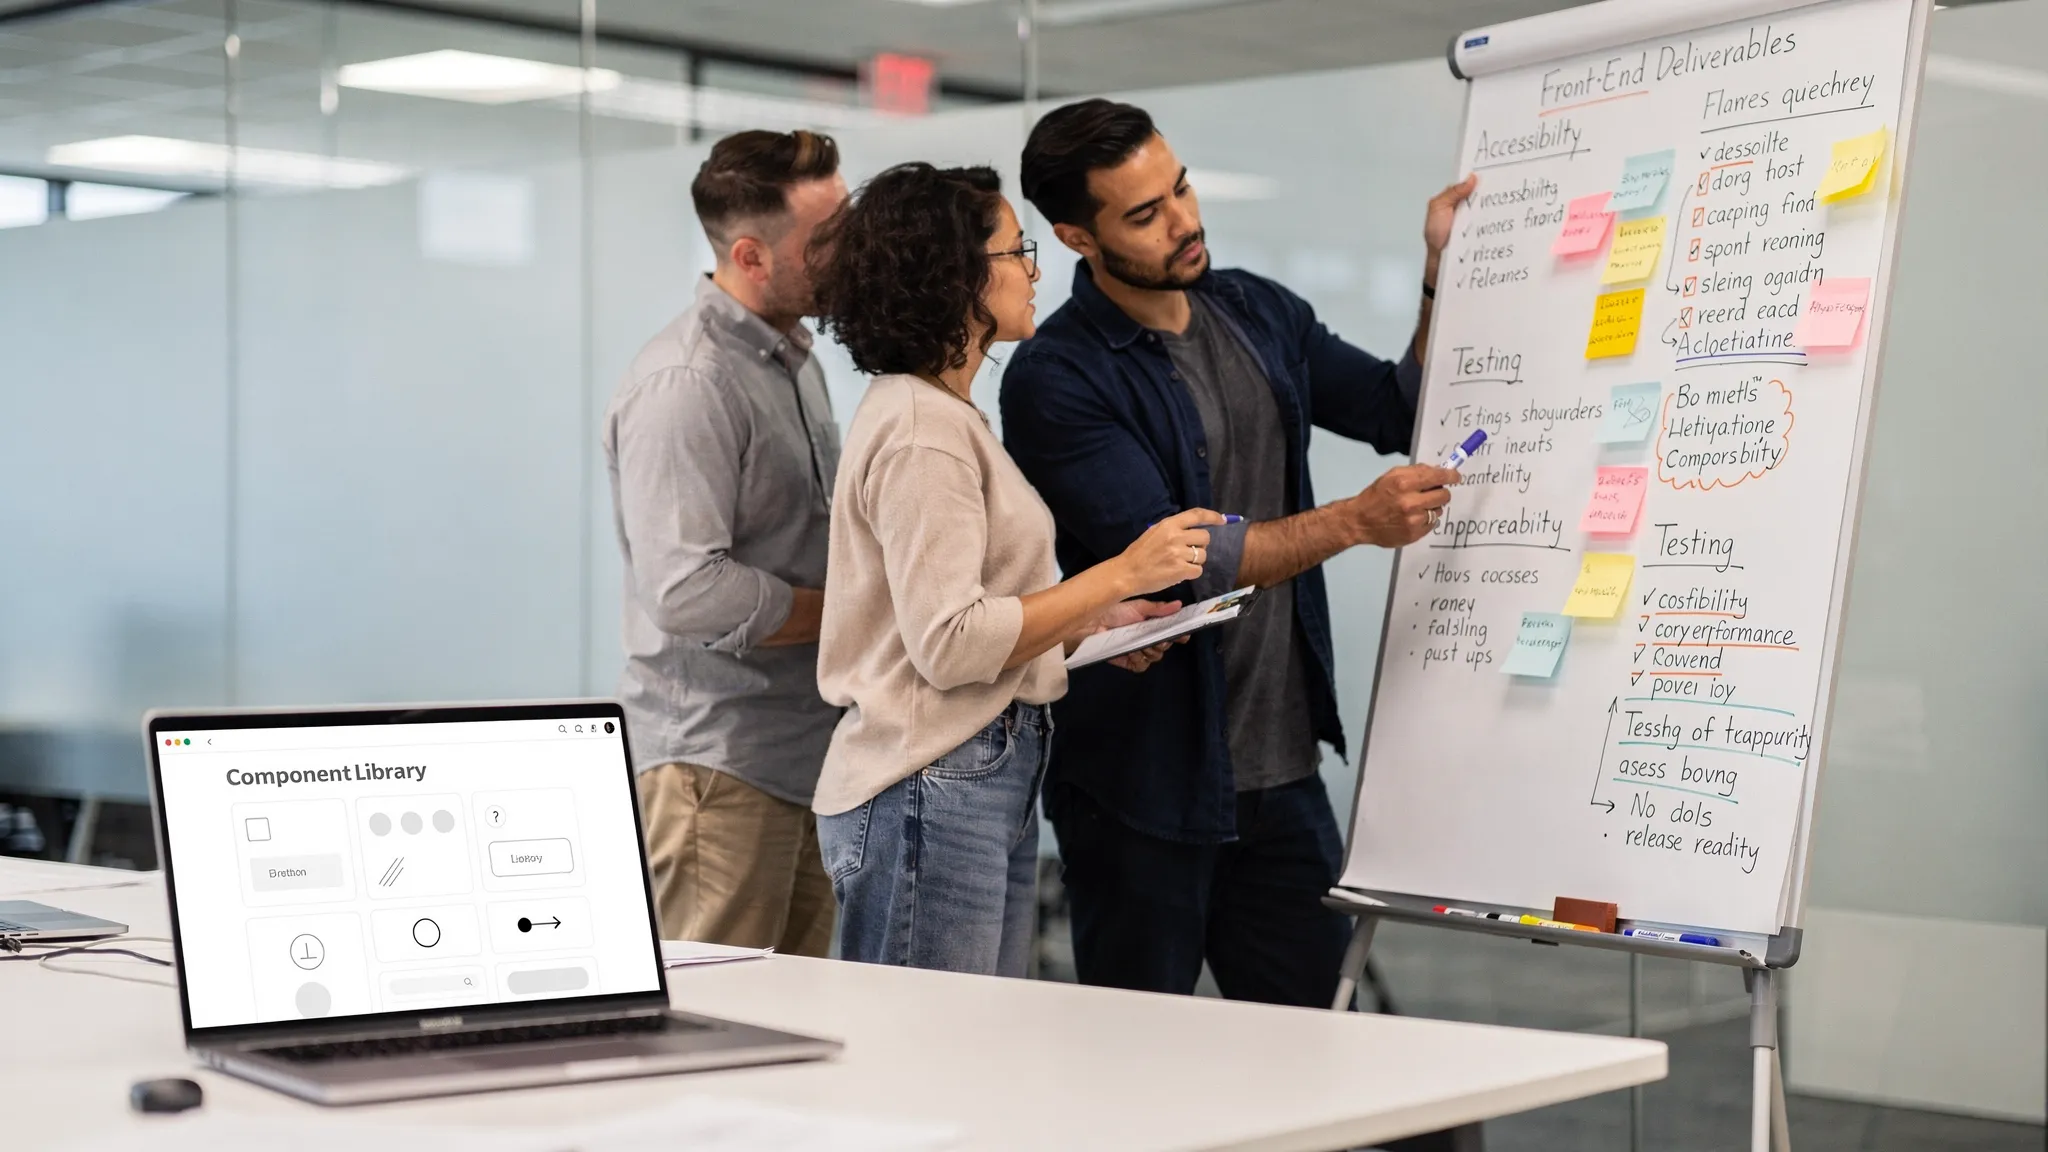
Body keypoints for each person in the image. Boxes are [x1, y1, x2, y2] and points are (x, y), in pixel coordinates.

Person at [1001, 99, 1475, 1006]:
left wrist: (1438, 272)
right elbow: (1185, 557)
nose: (1183, 221)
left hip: (1283, 773)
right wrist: (1352, 523)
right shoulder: (1058, 378)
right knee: (1141, 1072)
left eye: (1178, 188)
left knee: (1315, 1055)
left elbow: (1391, 406)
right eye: (1143, 214)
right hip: (1143, 789)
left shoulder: (1255, 309)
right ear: (1076, 236)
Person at [807, 161, 1221, 975]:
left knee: (970, 1057)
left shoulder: (945, 414)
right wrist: (1121, 575)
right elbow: (951, 644)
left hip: (973, 772)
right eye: (1014, 251)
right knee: (936, 1066)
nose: (1034, 270)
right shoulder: (925, 430)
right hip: (933, 779)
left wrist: (1089, 627)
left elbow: (966, 616)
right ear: (956, 276)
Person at [602, 129, 848, 956]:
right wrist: (852, 615)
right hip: (719, 768)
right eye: (827, 237)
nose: (852, 250)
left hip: (807, 754)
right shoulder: (688, 382)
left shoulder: (795, 360)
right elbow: (687, 592)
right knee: (714, 1025)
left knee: (810, 1029)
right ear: (751, 254)